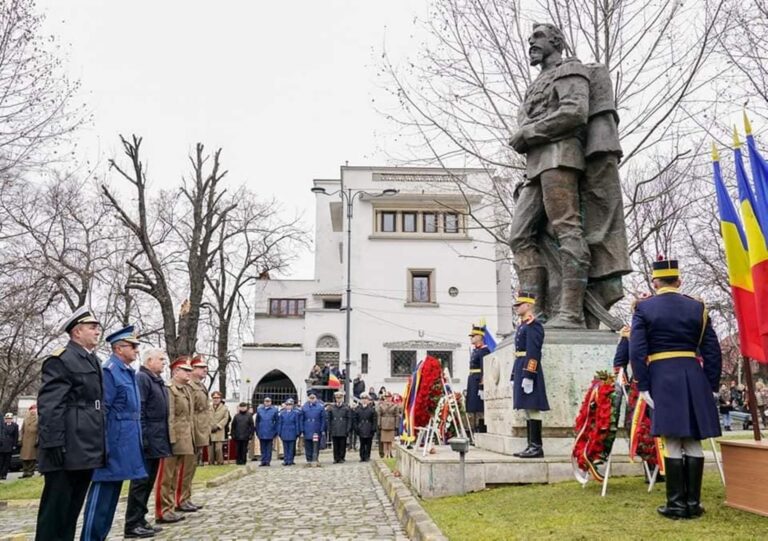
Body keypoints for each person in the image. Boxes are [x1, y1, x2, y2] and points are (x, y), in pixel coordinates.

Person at [629, 257, 722, 520]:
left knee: (671, 439)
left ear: (655, 281)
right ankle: (693, 504)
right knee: (693, 439)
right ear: (679, 281)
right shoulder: (698, 308)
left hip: (662, 376)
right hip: (693, 375)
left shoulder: (643, 308)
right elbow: (712, 351)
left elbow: (637, 351)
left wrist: (643, 383)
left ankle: (676, 505)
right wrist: (711, 385)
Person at [35, 306, 105, 541]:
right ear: (77, 332)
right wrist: (53, 443)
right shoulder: (61, 360)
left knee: (71, 513)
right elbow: (51, 406)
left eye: (98, 327)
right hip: (66, 448)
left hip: (85, 447)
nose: (98, 331)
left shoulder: (92, 359)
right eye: (92, 327)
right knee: (55, 513)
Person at [81, 325, 147, 541]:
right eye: (133, 346)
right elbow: (102, 412)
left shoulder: (127, 372)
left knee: (111, 500)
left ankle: (101, 536)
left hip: (125, 442)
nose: (137, 350)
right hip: (112, 443)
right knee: (101, 498)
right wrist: (104, 446)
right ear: (119, 348)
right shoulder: (110, 371)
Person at [124, 349, 170, 538]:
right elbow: (140, 409)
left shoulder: (155, 381)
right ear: (149, 361)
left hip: (157, 437)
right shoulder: (143, 378)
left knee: (148, 481)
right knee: (140, 483)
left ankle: (141, 518)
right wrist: (143, 437)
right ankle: (132, 523)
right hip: (148, 438)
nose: (164, 362)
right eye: (160, 359)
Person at [511, 292, 550, 458]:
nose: (517, 307)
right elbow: (518, 353)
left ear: (528, 305)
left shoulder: (534, 326)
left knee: (532, 407)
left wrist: (529, 375)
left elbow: (533, 352)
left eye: (519, 305)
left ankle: (536, 446)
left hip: (529, 369)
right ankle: (530, 445)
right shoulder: (522, 326)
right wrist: (514, 375)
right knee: (527, 408)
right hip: (521, 366)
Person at [156, 357, 194, 525]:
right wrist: (171, 439)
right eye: (185, 370)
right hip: (174, 438)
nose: (189, 373)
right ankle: (163, 510)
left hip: (184, 438)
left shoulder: (185, 390)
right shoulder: (170, 390)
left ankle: (170, 507)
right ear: (176, 371)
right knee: (166, 476)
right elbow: (170, 416)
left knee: (175, 475)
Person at [176, 355, 210, 513]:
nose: (205, 370)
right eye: (201, 367)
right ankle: (181, 499)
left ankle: (186, 497)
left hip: (200, 429)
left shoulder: (200, 386)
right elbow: (190, 412)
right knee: (185, 467)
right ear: (193, 369)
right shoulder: (189, 386)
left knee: (191, 467)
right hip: (193, 429)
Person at [467, 324, 491, 432]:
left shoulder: (484, 351)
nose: (471, 338)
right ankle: (474, 430)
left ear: (480, 337)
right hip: (472, 380)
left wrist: (482, 384)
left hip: (478, 380)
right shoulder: (475, 350)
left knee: (480, 406)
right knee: (473, 407)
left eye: (473, 336)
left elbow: (484, 369)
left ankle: (481, 429)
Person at [300, 392, 325, 467]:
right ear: (308, 398)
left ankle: (315, 458)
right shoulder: (304, 407)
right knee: (308, 445)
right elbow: (301, 419)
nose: (312, 399)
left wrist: (322, 429)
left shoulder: (320, 407)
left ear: (316, 398)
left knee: (316, 445)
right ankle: (309, 460)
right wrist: (302, 429)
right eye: (310, 398)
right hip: (307, 428)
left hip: (316, 428)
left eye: (313, 398)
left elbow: (323, 419)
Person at [327, 391, 352, 463]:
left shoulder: (346, 408)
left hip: (343, 428)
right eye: (337, 398)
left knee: (342, 445)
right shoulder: (332, 408)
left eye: (340, 398)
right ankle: (336, 458)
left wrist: (348, 428)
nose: (338, 399)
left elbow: (349, 419)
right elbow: (329, 419)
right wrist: (329, 428)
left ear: (342, 398)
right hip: (335, 428)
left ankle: (341, 457)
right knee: (335, 445)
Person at [277, 398, 300, 466]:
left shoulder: (295, 413)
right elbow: (280, 423)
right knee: (285, 447)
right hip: (284, 431)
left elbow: (297, 423)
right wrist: (279, 432)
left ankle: (290, 460)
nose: (288, 406)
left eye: (290, 405)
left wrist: (297, 432)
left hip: (292, 431)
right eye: (287, 405)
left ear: (292, 406)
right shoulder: (282, 413)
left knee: (291, 447)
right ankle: (286, 460)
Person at [255, 397, 278, 466]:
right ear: (264, 402)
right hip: (261, 431)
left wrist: (275, 431)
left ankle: (267, 461)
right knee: (262, 447)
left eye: (268, 401)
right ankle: (263, 460)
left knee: (269, 447)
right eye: (266, 401)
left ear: (271, 402)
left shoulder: (274, 410)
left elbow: (277, 421)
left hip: (270, 431)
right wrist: (257, 430)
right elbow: (257, 421)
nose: (267, 402)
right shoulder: (259, 410)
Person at [354, 394, 377, 462]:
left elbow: (374, 419)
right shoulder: (358, 409)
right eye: (363, 399)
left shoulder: (372, 409)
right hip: (361, 428)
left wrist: (373, 428)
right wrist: (356, 427)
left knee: (368, 444)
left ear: (368, 400)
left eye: (366, 399)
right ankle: (362, 456)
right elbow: (355, 419)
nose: (364, 401)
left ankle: (367, 456)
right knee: (362, 443)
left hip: (369, 428)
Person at [377, 394, 399, 458]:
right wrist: (379, 424)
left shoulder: (395, 405)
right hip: (384, 424)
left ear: (391, 398)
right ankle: (385, 453)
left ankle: (389, 453)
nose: (387, 398)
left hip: (391, 424)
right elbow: (379, 415)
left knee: (390, 440)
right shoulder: (381, 405)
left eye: (389, 397)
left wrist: (396, 425)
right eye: (386, 397)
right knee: (384, 440)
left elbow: (397, 415)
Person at [209, 391, 228, 465]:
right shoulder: (209, 407)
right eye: (214, 398)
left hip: (219, 431)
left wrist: (218, 426)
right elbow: (205, 418)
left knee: (218, 448)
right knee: (210, 449)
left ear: (220, 398)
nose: (215, 399)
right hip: (210, 430)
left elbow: (225, 418)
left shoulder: (224, 408)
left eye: (217, 398)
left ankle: (220, 462)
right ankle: (211, 462)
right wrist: (209, 426)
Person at [20, 404, 38, 478]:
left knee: (32, 457)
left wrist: (37, 440)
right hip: (25, 440)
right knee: (24, 457)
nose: (32, 411)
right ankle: (25, 471)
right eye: (31, 410)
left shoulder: (38, 419)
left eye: (34, 410)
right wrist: (20, 439)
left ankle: (30, 471)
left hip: (33, 440)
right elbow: (22, 429)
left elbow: (39, 431)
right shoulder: (26, 419)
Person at [0, 413, 18, 480]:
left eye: (10, 419)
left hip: (9, 445)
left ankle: (4, 474)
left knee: (7, 461)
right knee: (1, 460)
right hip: (2, 445)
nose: (8, 420)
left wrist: (14, 445)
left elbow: (16, 436)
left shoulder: (15, 426)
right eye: (7, 419)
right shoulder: (2, 425)